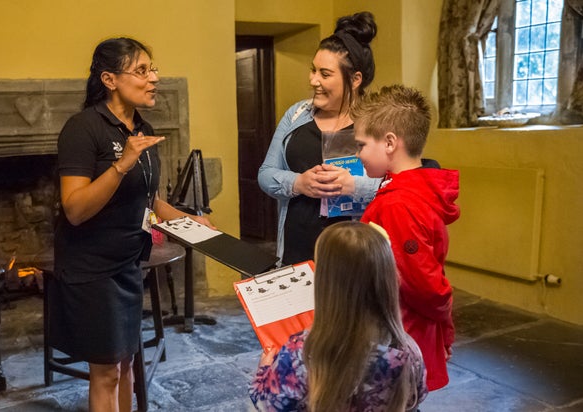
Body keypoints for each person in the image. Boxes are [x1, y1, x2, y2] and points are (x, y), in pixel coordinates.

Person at [49, 37, 213, 412]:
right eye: (142, 70)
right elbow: (74, 209)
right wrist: (121, 164)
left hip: (127, 265)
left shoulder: (140, 128)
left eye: (153, 68)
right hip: (91, 268)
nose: (154, 77)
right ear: (109, 79)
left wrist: (194, 223)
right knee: (106, 372)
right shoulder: (82, 128)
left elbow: (149, 201)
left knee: (125, 364)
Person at [249, 221, 428, 411]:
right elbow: (416, 398)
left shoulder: (301, 353)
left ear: (324, 282)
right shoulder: (408, 350)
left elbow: (266, 404)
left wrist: (263, 371)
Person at [353, 84, 460, 391]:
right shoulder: (410, 192)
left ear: (389, 143)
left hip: (400, 337)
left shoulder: (398, 205)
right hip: (404, 332)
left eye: (361, 145)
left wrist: (445, 331)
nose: (357, 154)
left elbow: (423, 285)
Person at [258, 11, 382, 266]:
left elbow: (399, 185)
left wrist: (354, 185)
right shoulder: (297, 114)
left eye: (324, 74)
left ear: (355, 79)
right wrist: (299, 183)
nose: (313, 80)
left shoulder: (378, 123)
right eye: (313, 70)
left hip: (353, 260)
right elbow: (265, 173)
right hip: (296, 252)